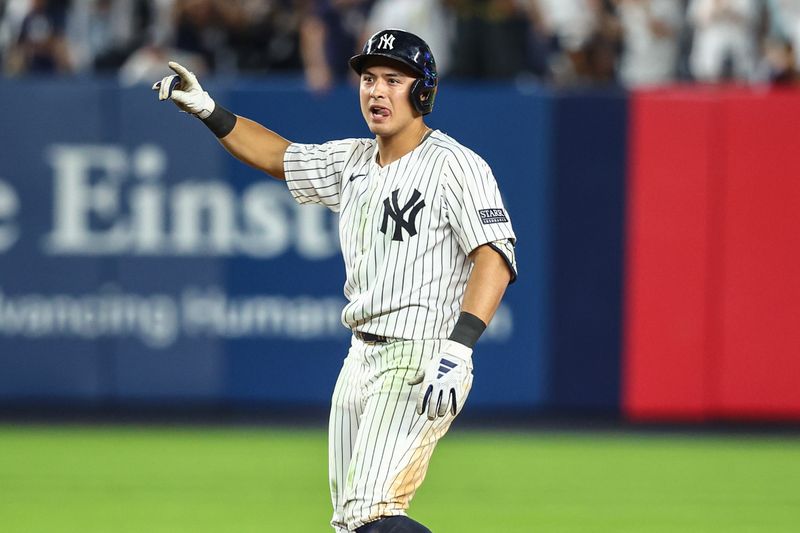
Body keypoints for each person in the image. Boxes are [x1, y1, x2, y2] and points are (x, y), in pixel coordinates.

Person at [153, 28, 517, 533]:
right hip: (361, 356)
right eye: (369, 79)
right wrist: (208, 109)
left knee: (370, 512)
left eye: (394, 79)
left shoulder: (456, 165)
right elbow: (279, 156)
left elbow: (494, 257)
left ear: (422, 91)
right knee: (351, 524)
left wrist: (460, 349)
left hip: (422, 354)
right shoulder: (353, 161)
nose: (376, 91)